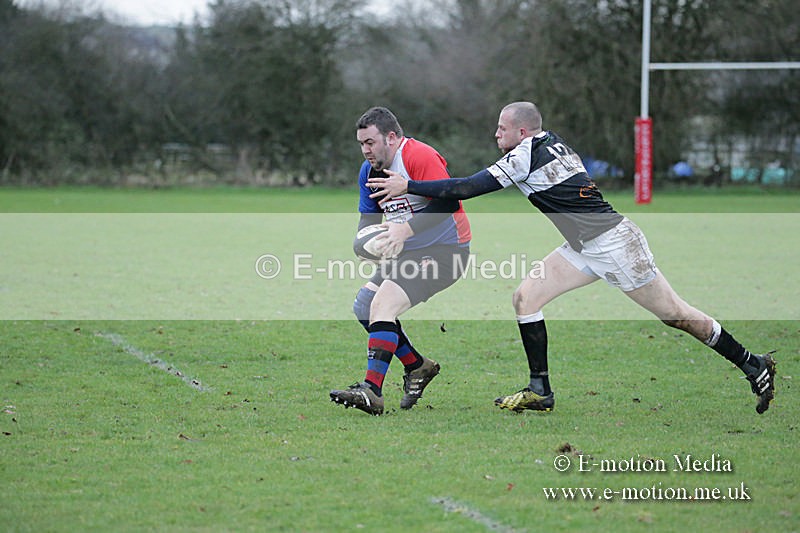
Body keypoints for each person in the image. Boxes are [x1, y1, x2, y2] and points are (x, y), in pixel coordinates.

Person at [366, 101, 776, 415]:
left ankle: (752, 363)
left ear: (522, 131)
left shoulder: (525, 154)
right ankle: (540, 390)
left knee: (675, 315)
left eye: (501, 128)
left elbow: (466, 188)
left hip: (615, 245)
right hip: (583, 247)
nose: (496, 134)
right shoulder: (549, 141)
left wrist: (409, 185)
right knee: (525, 297)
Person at [329, 106, 472, 415]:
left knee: (383, 306)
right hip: (408, 252)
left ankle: (372, 391)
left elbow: (450, 202)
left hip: (446, 251)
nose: (365, 150)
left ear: (391, 137)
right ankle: (417, 366)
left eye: (370, 142)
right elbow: (368, 221)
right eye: (361, 144)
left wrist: (404, 231)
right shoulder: (369, 172)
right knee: (365, 307)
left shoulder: (419, 156)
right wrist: (367, 245)